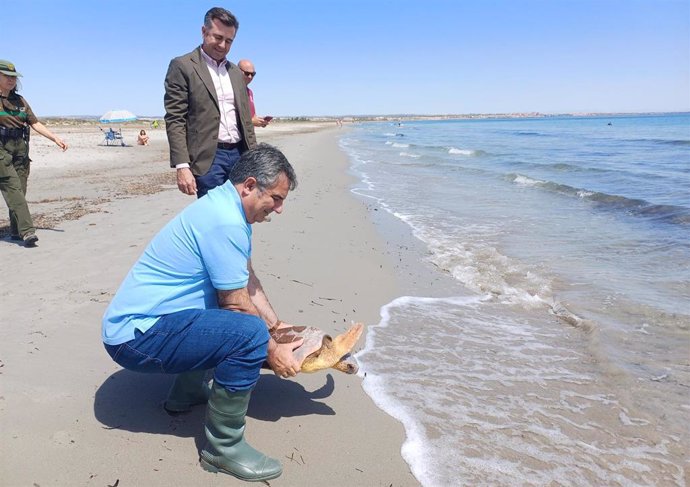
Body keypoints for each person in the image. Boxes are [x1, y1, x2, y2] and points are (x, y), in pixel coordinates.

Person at [102, 144, 304, 482]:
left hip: (147, 325)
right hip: (135, 337)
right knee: (247, 334)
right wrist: (272, 348)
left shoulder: (226, 208)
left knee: (245, 323)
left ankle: (187, 392)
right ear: (250, 185)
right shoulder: (224, 221)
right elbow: (237, 303)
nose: (279, 209)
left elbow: (247, 279)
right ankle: (222, 449)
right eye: (277, 198)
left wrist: (278, 325)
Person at [165, 7, 256, 198]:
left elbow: (246, 121)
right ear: (204, 31)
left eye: (229, 41)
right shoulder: (183, 66)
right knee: (213, 218)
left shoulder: (235, 73)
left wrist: (254, 157)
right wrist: (182, 166)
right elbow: (175, 119)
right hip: (208, 159)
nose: (222, 45)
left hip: (240, 154)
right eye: (217, 37)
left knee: (242, 213)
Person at [0, 60, 68, 247]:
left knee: (20, 191)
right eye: (7, 76)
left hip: (20, 150)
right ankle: (27, 232)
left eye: (13, 77)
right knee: (13, 189)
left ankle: (15, 231)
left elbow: (35, 123)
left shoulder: (20, 101)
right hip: (1, 151)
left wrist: (55, 138)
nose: (11, 80)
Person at [238, 59, 271, 128]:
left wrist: (260, 121)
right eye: (247, 73)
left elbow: (253, 116)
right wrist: (251, 121)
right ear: (237, 71)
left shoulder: (250, 92)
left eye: (253, 74)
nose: (250, 77)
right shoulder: (230, 91)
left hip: (249, 135)